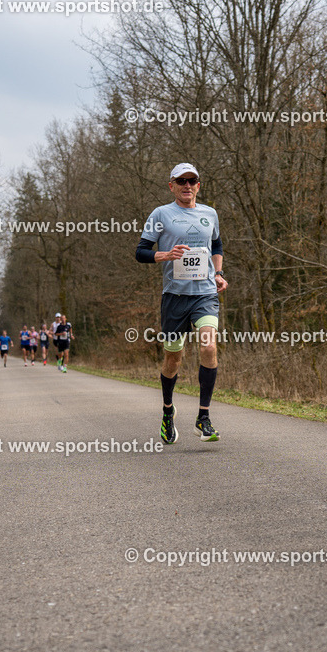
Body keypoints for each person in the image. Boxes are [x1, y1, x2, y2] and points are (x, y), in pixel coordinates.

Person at [135, 163, 226, 444]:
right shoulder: (161, 214)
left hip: (205, 294)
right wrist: (165, 255)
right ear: (171, 185)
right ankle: (167, 410)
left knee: (209, 345)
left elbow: (217, 245)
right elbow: (140, 252)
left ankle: (203, 416)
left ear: (198, 185)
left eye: (192, 181)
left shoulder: (209, 213)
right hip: (174, 297)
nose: (187, 186)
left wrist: (219, 273)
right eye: (181, 181)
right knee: (173, 357)